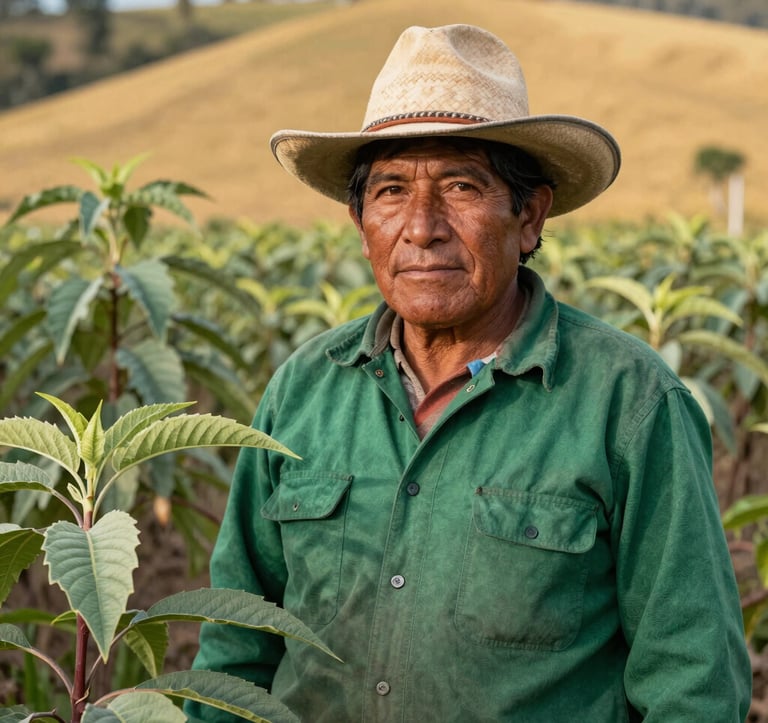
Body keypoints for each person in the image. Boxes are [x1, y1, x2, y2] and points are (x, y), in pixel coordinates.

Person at [187, 24, 751, 722]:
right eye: (391, 190)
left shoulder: (628, 401)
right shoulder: (302, 390)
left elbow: (692, 682)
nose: (421, 226)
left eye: (460, 185)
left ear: (529, 216)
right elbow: (236, 651)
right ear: (361, 221)